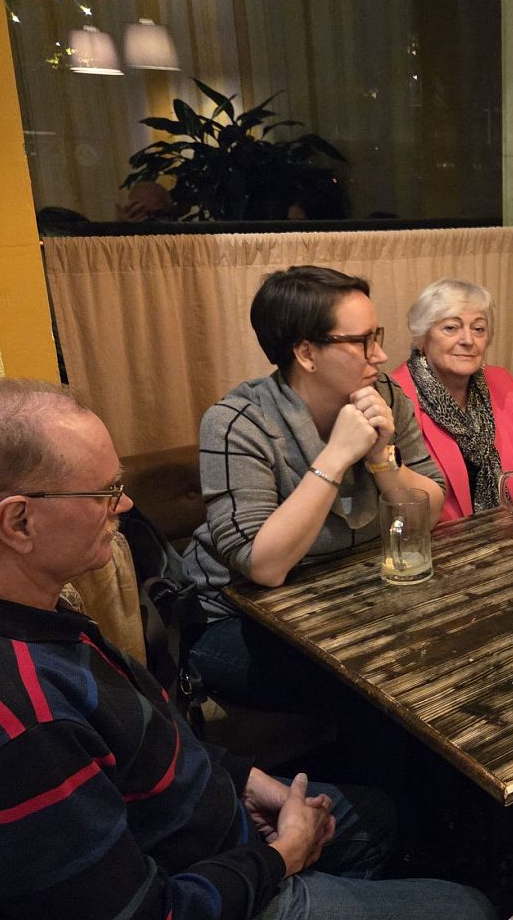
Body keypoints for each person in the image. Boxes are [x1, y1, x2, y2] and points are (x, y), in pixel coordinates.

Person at [0, 380, 495, 920]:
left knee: (376, 817)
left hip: (195, 847)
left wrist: (240, 779)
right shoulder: (16, 728)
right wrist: (281, 859)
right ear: (18, 521)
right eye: (105, 491)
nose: (125, 505)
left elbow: (137, 739)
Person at [183, 266, 445, 708]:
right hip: (236, 617)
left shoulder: (384, 396)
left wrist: (381, 458)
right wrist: (336, 455)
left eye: (377, 336)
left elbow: (430, 511)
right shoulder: (237, 422)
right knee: (371, 682)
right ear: (306, 353)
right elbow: (264, 566)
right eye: (363, 341)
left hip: (344, 597)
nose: (381, 355)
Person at [390, 277, 513, 522]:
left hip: (508, 531)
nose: (468, 340)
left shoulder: (502, 384)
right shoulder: (397, 396)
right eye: (451, 328)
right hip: (436, 538)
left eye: (478, 329)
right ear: (422, 338)